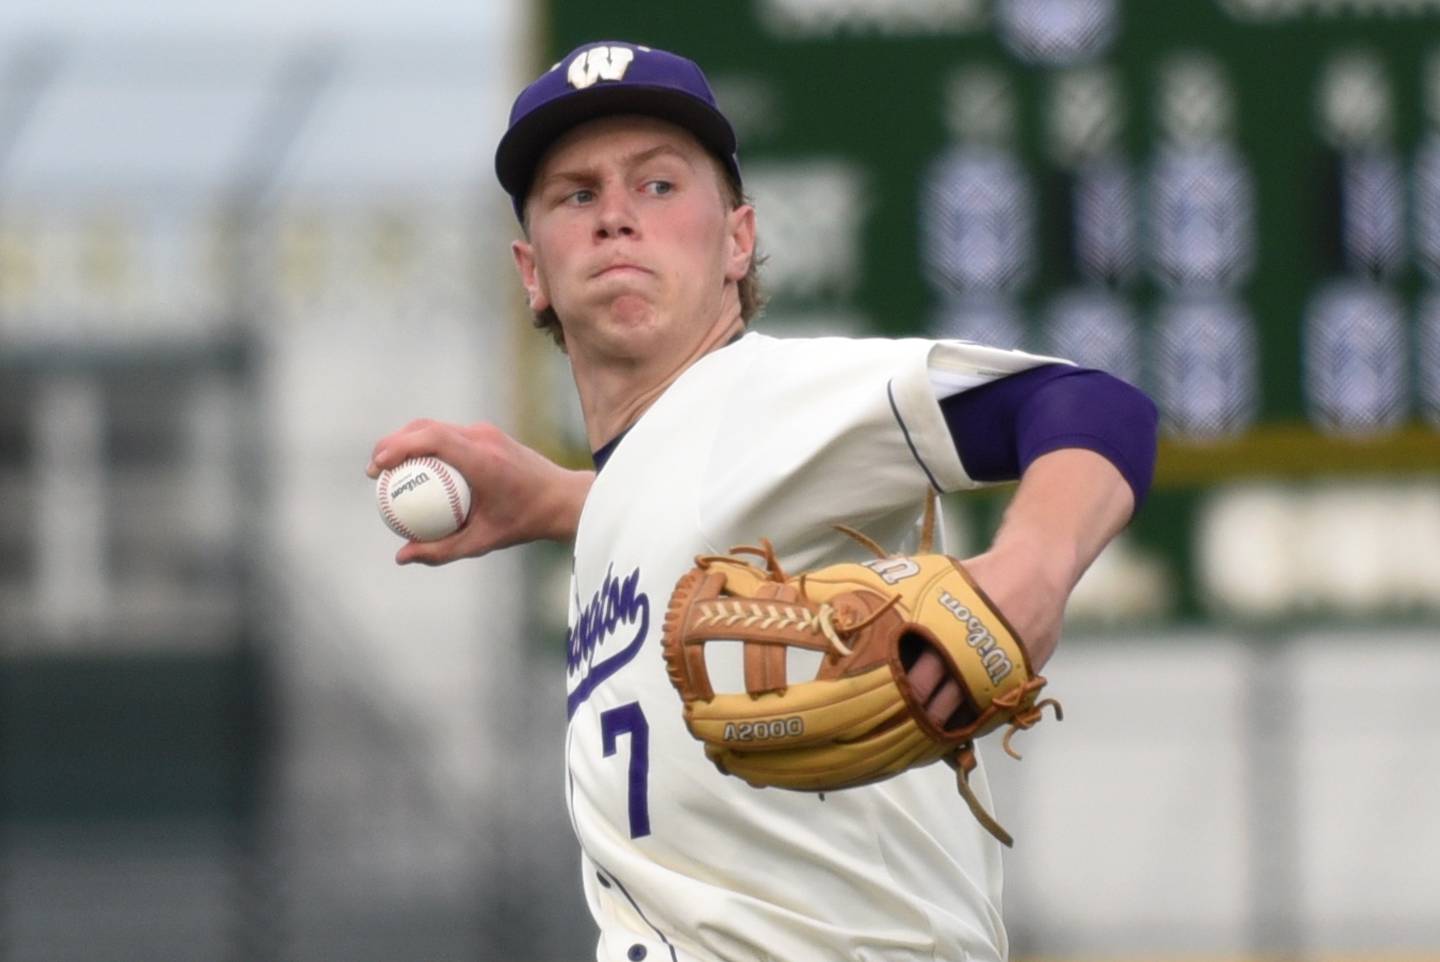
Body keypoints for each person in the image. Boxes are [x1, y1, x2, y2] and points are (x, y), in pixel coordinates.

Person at [368, 40, 1158, 962]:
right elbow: (697, 504)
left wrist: (1029, 573)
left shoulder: (771, 392)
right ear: (532, 270)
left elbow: (1097, 408)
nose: (615, 217)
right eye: (576, 195)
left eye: (658, 186)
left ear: (738, 239)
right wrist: (569, 502)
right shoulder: (650, 482)